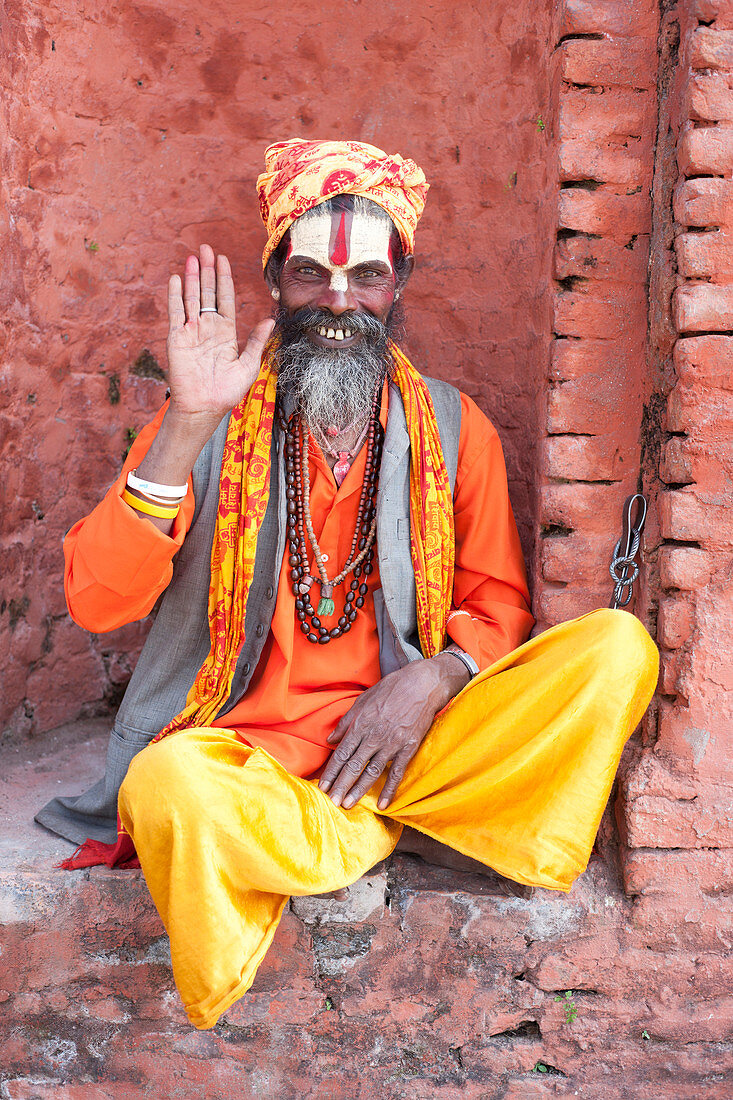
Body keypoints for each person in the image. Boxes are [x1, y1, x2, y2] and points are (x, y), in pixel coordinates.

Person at [36, 139, 659, 1030]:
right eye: (308, 274)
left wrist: (430, 681)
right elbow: (99, 603)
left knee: (613, 648)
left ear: (397, 284)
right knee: (166, 787)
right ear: (274, 281)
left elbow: (496, 609)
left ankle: (367, 833)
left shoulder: (453, 426)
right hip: (255, 762)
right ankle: (392, 840)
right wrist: (187, 421)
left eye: (365, 274)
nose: (337, 300)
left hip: (418, 749)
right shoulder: (207, 425)